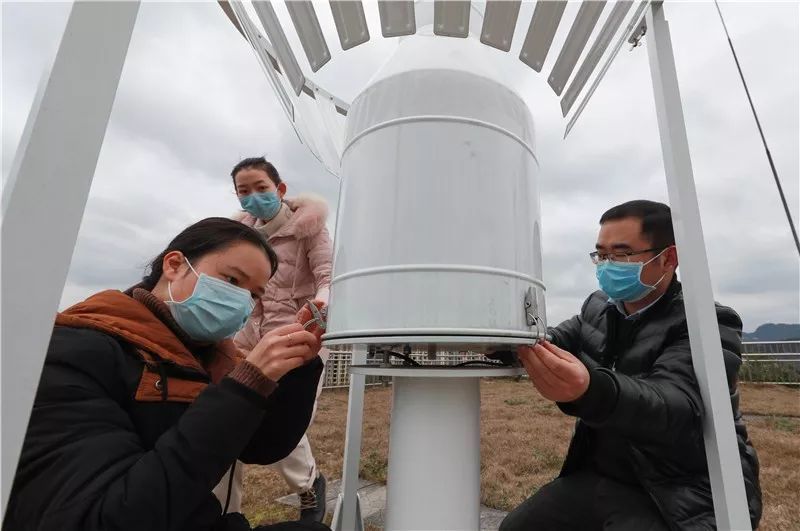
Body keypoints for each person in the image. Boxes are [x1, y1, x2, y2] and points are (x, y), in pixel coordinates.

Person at [3, 218, 330, 531]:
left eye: (255, 294)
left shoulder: (213, 357)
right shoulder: (77, 351)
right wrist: (242, 387)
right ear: (173, 265)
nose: (242, 302)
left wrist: (299, 369)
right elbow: (102, 519)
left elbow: (261, 448)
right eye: (232, 280)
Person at [500, 200, 762, 531]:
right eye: (601, 254)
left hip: (680, 490)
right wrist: (499, 341)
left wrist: (591, 390)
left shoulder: (709, 323)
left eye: (622, 255)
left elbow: (677, 405)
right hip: (601, 476)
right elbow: (549, 340)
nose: (608, 266)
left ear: (669, 257)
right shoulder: (598, 308)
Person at [221, 157, 332, 523]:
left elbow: (327, 274)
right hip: (248, 335)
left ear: (280, 189)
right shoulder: (239, 236)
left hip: (298, 334)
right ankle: (224, 512)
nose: (253, 197)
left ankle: (309, 483)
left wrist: (321, 306)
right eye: (244, 191)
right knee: (228, 413)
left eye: (261, 188)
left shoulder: (308, 227)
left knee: (279, 417)